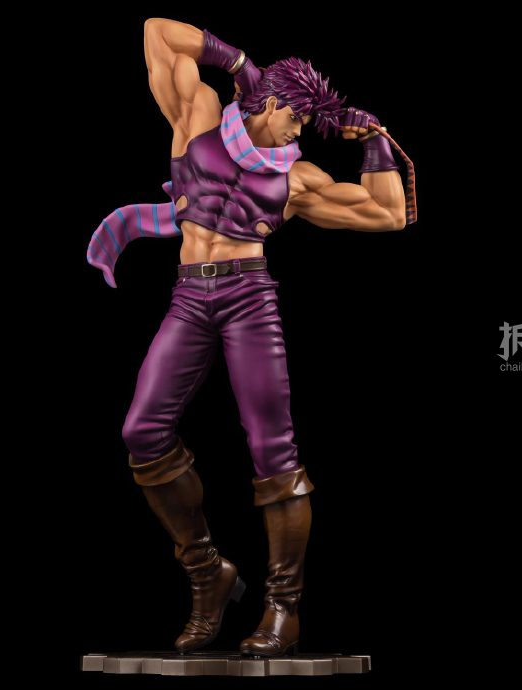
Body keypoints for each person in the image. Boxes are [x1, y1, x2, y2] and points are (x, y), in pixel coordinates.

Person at [88, 17, 416, 658]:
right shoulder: (199, 118)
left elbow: (387, 213)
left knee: (274, 451)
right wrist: (237, 62)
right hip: (190, 296)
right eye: (296, 118)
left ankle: (282, 609)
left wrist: (376, 141)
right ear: (268, 103)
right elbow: (158, 33)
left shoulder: (297, 179)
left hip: (248, 298)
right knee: (142, 431)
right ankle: (208, 573)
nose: (299, 133)